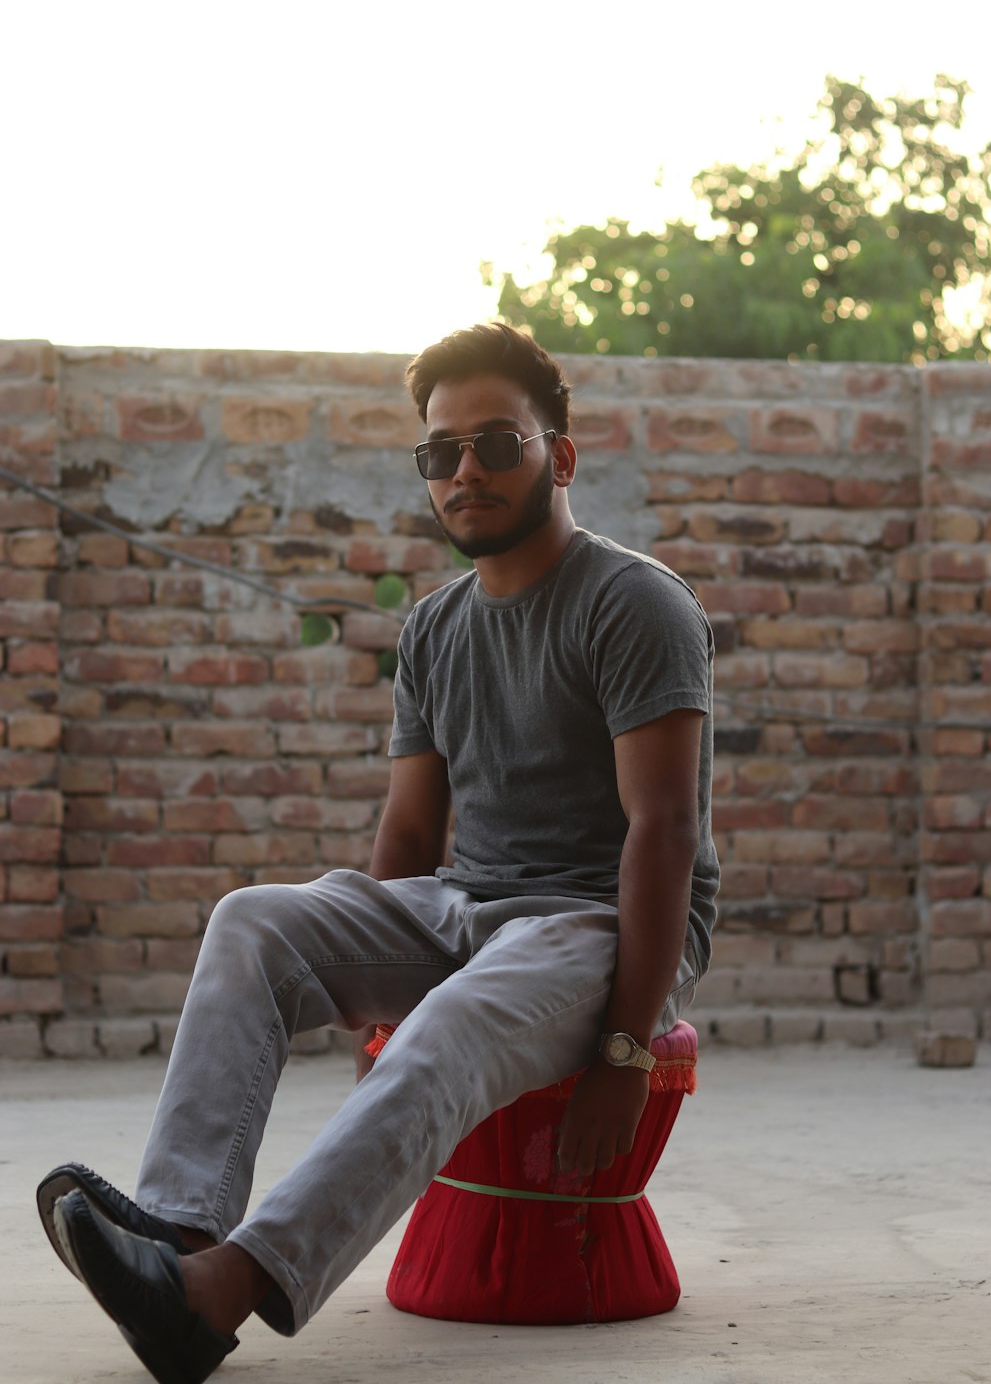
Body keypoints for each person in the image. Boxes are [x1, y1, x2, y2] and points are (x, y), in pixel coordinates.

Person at [36, 322, 720, 1384]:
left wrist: (627, 1052)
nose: (466, 473)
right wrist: (368, 972)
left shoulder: (633, 602)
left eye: (498, 444)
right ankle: (174, 1235)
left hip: (598, 923)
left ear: (561, 456)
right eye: (439, 453)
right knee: (253, 921)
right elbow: (408, 838)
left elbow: (663, 830)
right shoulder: (435, 628)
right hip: (468, 907)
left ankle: (224, 1294)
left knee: (447, 1023)